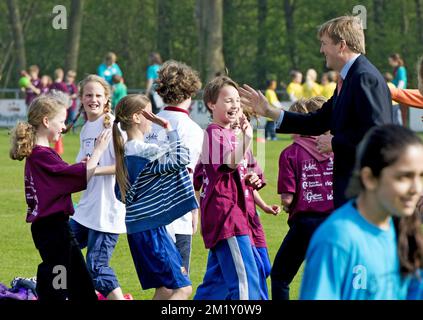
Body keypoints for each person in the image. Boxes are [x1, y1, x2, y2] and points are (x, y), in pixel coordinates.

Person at [240, 15, 394, 209]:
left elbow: (377, 135)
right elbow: (317, 121)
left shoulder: (364, 77)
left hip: (364, 192)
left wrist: (335, 142)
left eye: (324, 44)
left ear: (341, 45)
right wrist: (269, 111)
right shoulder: (350, 78)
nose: (321, 50)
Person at [299, 124, 423, 299]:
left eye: (421, 176)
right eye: (404, 177)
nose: (416, 188)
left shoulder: (405, 235)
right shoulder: (336, 238)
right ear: (369, 178)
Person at [9, 94, 111, 301]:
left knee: (80, 280)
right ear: (46, 121)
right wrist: (98, 151)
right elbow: (74, 176)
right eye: (61, 121)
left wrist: (81, 165)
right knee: (59, 277)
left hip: (58, 227)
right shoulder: (41, 155)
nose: (64, 127)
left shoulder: (43, 154)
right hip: (51, 228)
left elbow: (67, 175)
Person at [113, 94, 196, 300]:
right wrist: (168, 127)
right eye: (149, 113)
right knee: (184, 289)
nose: (153, 118)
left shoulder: (124, 155)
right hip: (154, 232)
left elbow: (119, 193)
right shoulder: (146, 151)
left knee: (165, 289)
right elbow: (182, 158)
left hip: (136, 231)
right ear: (137, 117)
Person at [193, 76, 262, 300]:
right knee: (246, 283)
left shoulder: (231, 135)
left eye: (237, 101)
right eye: (228, 100)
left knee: (215, 285)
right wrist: (248, 137)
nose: (235, 106)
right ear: (212, 104)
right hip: (228, 217)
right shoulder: (213, 132)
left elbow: (233, 169)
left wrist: (251, 178)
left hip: (237, 215)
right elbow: (229, 163)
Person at [67, 75, 127, 300]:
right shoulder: (86, 129)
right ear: (81, 98)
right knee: (63, 247)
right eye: (89, 95)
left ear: (106, 99)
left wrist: (92, 171)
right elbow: (83, 164)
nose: (93, 99)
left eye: (98, 95)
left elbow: (123, 166)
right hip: (86, 209)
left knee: (97, 267)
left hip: (106, 210)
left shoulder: (113, 127)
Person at [272, 96, 334, 300]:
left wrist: (288, 206)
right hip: (335, 223)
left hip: (305, 225)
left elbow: (287, 199)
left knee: (281, 276)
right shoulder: (337, 151)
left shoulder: (290, 153)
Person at [144, 60, 202, 275]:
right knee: (179, 283)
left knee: (163, 282)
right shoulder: (193, 130)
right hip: (176, 217)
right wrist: (194, 209)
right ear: (191, 92)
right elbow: (185, 174)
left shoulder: (148, 123)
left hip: (147, 213)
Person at [389, 53, 408, 126]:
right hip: (398, 94)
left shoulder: (401, 69)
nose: (390, 63)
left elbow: (402, 81)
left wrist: (397, 92)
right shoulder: (396, 69)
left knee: (401, 115)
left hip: (401, 95)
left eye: (390, 61)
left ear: (395, 60)